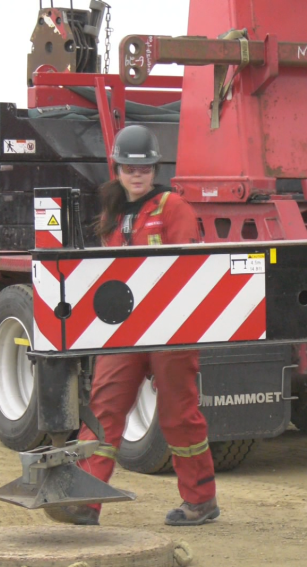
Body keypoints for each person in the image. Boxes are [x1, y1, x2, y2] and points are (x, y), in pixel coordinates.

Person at [45, 125, 219, 527]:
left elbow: (188, 268)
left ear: (154, 168)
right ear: (117, 168)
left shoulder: (172, 208)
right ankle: (85, 501)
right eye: (128, 168)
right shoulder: (113, 212)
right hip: (125, 331)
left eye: (143, 168)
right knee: (104, 408)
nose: (136, 175)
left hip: (170, 329)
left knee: (178, 414)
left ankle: (201, 501)